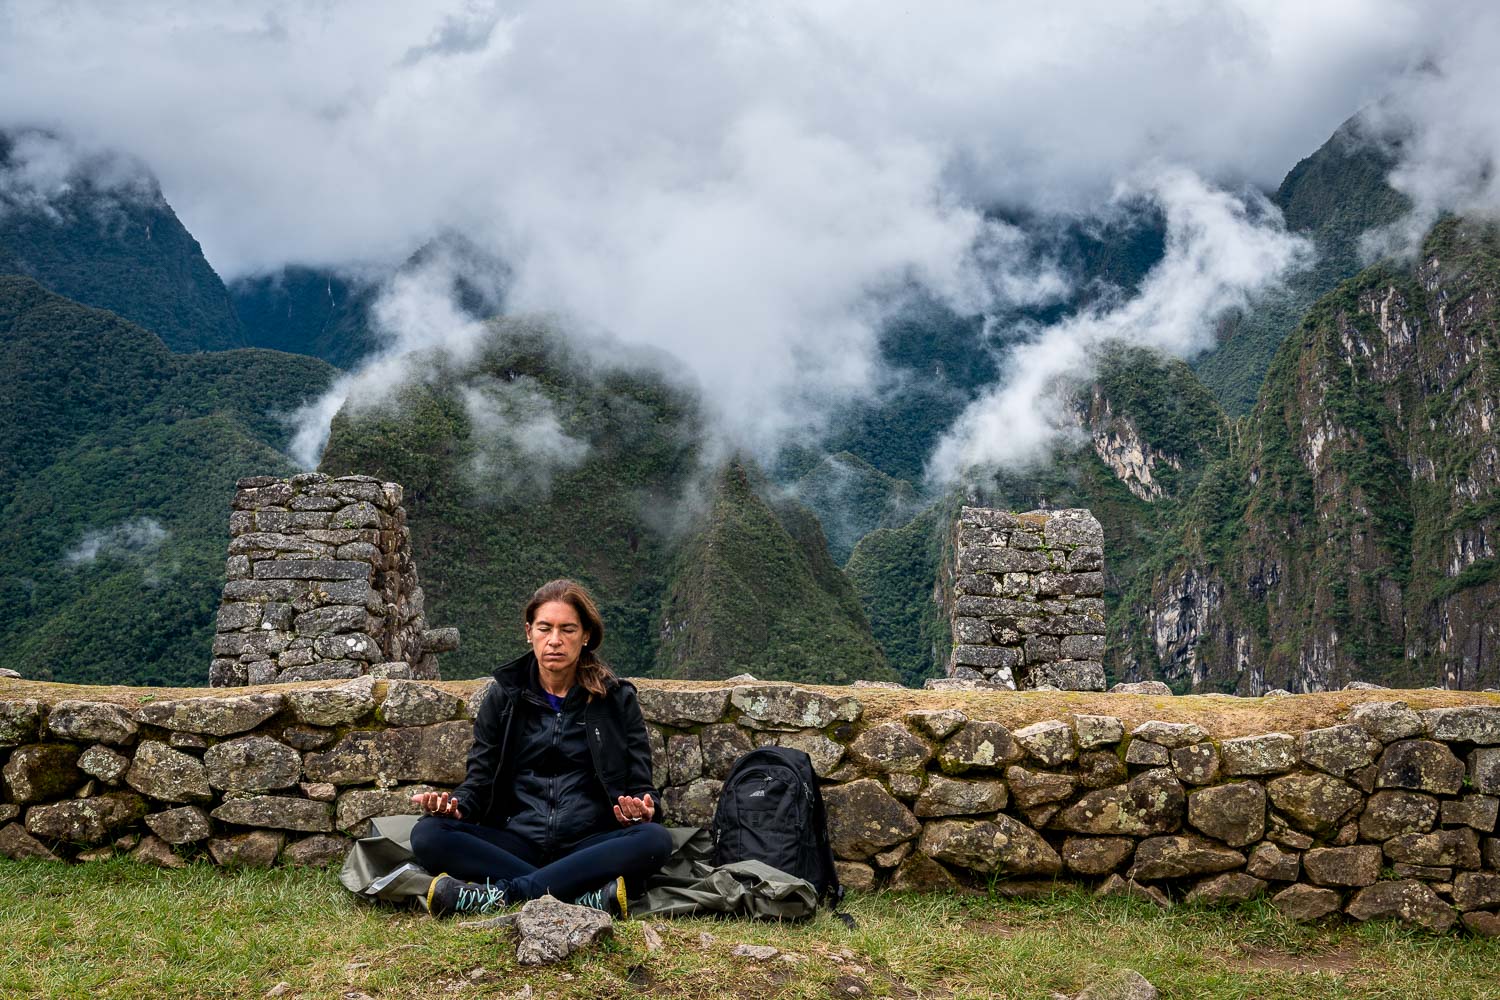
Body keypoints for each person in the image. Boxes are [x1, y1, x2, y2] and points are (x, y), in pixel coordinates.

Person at [409, 579, 673, 917]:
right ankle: (577, 894)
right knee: (429, 834)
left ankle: (507, 894)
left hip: (589, 843)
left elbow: (642, 788)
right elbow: (479, 782)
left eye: (568, 630)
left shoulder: (616, 700)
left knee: (654, 840)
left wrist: (643, 809)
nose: (555, 640)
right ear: (529, 632)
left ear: (586, 636)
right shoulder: (505, 698)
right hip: (516, 842)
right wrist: (454, 807)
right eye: (545, 628)